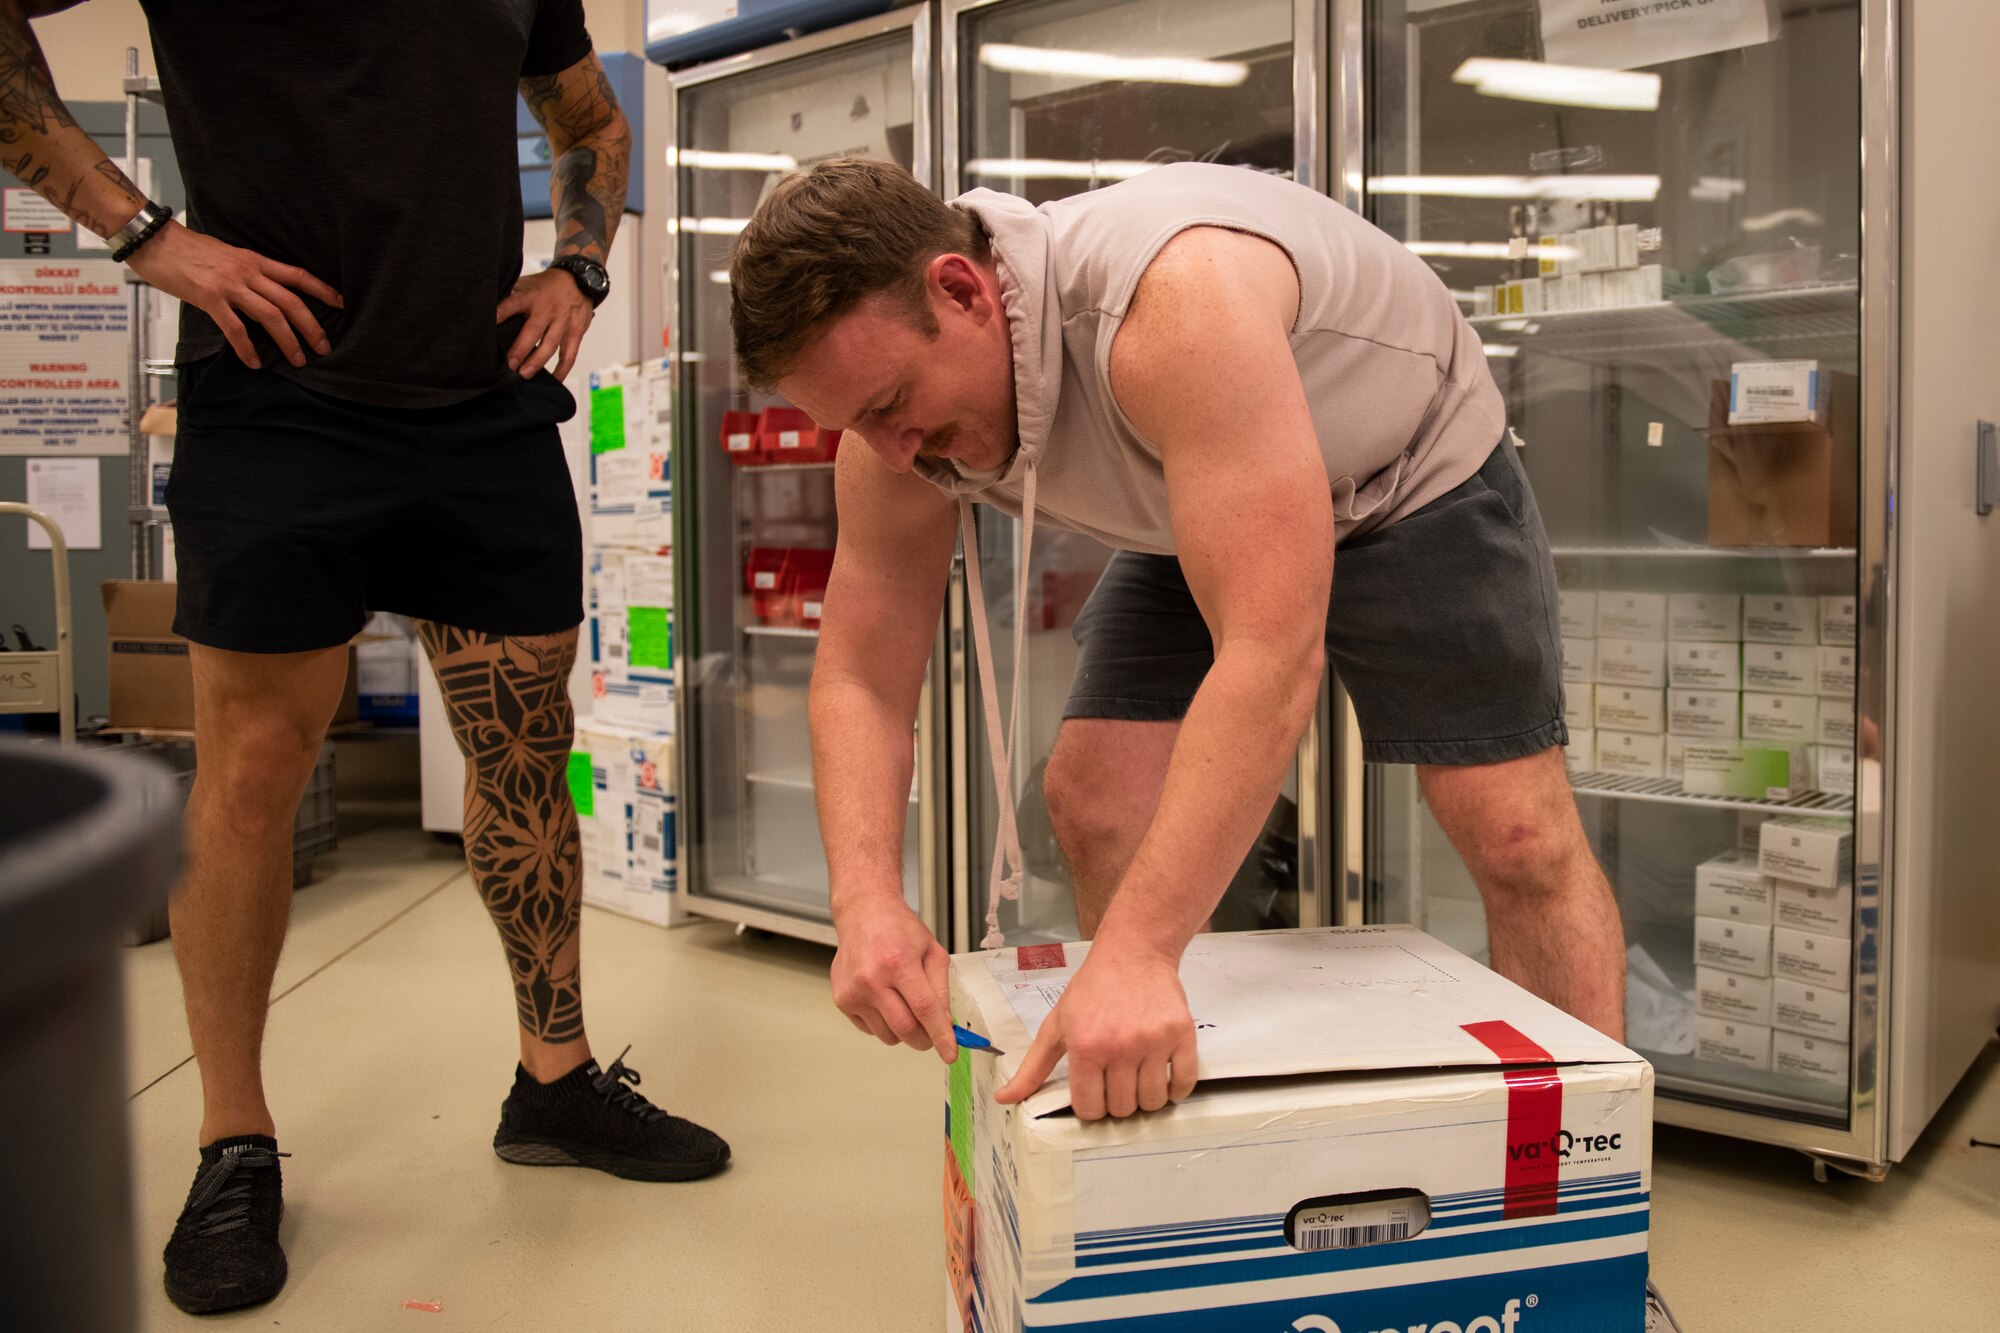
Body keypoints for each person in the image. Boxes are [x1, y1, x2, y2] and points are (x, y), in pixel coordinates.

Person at [731, 158, 1679, 1328]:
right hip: (1205, 486)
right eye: (849, 425)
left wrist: (1128, 951)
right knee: (1096, 795)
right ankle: (1190, 1171)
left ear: (961, 290)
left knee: (1516, 830)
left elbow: (1268, 657)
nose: (886, 452)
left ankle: (1588, 1226)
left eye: (886, 406)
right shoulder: (890, 431)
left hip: (1407, 469)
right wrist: (864, 898)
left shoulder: (1165, 305)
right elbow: (863, 673)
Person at [0, 0, 728, 1315]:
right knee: (251, 771)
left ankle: (552, 1084)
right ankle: (234, 1144)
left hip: (483, 397)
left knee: (525, 749)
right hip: (277, 388)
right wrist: (146, 234)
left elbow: (590, 119)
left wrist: (580, 269)